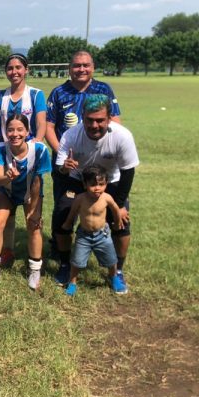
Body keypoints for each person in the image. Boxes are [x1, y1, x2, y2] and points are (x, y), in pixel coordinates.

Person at [53, 94, 139, 292]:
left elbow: (128, 172)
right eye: (89, 120)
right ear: (82, 116)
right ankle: (65, 265)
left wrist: (118, 206)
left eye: (100, 120)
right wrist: (66, 167)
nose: (94, 125)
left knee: (122, 224)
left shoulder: (122, 136)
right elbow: (60, 169)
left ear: (109, 118)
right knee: (61, 216)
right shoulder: (71, 135)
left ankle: (117, 270)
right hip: (78, 181)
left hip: (111, 183)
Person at [46, 50, 121, 269]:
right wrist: (63, 154)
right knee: (64, 206)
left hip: (99, 162)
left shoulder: (103, 89)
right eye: (77, 65)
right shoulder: (59, 92)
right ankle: (61, 249)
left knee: (101, 202)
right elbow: (49, 127)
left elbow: (115, 121)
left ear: (93, 67)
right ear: (69, 68)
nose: (81, 69)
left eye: (85, 65)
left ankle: (102, 245)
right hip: (68, 163)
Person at [0, 53, 47, 266]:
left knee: (32, 211)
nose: (14, 71)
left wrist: (35, 147)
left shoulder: (36, 94)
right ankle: (7, 250)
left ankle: (33, 256)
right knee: (5, 212)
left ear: (26, 70)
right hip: (4, 159)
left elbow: (41, 123)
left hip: (28, 158)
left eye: (18, 67)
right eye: (10, 68)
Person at [0, 114, 51, 288]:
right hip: (6, 191)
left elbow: (37, 181)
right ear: (6, 132)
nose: (15, 134)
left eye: (20, 129)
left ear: (28, 131)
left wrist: (33, 209)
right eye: (11, 130)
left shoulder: (39, 150)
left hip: (30, 192)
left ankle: (34, 270)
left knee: (34, 225)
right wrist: (8, 177)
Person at [60, 165, 126, 296]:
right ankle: (72, 282)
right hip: (84, 236)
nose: (97, 188)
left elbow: (115, 209)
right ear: (85, 184)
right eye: (93, 184)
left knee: (112, 260)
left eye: (101, 184)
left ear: (106, 184)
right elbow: (73, 212)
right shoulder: (80, 198)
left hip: (103, 235)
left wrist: (118, 222)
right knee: (76, 261)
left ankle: (114, 278)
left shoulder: (106, 198)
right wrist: (67, 224)